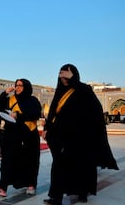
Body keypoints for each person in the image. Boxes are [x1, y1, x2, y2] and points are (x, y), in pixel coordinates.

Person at [42, 64, 118, 205]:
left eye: (66, 73)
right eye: (60, 73)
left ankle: (82, 192)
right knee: (58, 166)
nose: (62, 76)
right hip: (59, 136)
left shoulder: (83, 90)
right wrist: (47, 127)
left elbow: (95, 110)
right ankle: (56, 196)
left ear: (74, 75)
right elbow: (53, 112)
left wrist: (73, 80)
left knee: (81, 166)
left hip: (79, 137)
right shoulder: (60, 91)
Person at [0, 78, 42, 197]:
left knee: (29, 161)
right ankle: (2, 187)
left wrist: (18, 115)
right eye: (16, 85)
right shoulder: (10, 99)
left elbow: (36, 113)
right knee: (8, 160)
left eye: (20, 85)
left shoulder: (32, 100)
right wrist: (5, 92)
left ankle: (31, 184)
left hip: (28, 135)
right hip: (12, 134)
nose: (17, 87)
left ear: (26, 87)